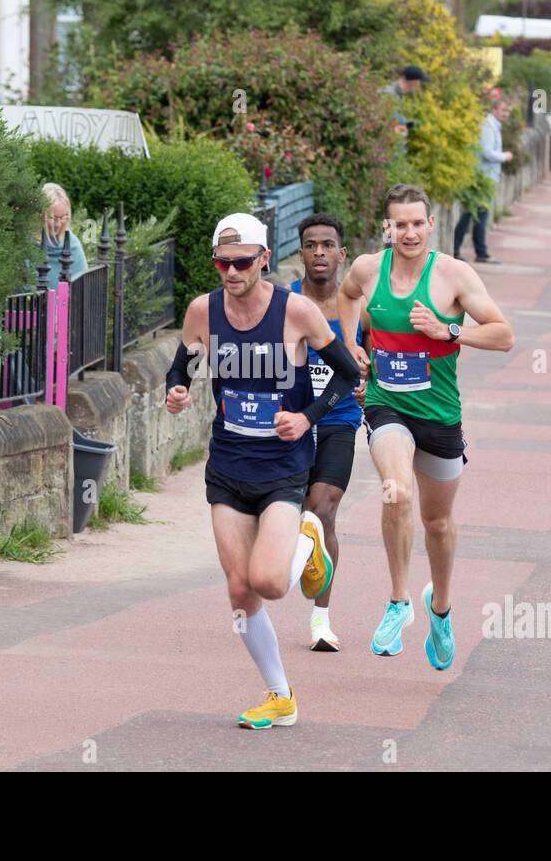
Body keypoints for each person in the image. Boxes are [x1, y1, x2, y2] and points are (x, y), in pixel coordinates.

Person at [165, 212, 358, 729]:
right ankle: (280, 695)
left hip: (281, 466)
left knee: (270, 583)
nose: (231, 271)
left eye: (242, 262)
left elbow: (348, 372)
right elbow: (181, 362)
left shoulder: (295, 313)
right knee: (239, 592)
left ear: (264, 259)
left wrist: (307, 416)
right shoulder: (203, 311)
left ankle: (309, 539)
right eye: (223, 262)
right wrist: (177, 388)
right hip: (228, 465)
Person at [338, 184, 514, 668]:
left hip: (439, 413)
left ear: (431, 225)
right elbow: (347, 295)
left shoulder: (454, 275)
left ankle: (440, 609)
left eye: (417, 223)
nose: (409, 232)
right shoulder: (369, 269)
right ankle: (398, 602)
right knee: (396, 490)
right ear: (387, 227)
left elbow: (503, 335)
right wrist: (353, 343)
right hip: (385, 402)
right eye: (399, 224)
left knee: (437, 522)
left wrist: (448, 330)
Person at [288, 213, 366, 652]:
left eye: (327, 245)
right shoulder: (285, 304)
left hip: (338, 420)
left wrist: (369, 375)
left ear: (342, 254)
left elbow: (377, 358)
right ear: (300, 252)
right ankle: (301, 560)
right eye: (311, 245)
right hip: (294, 422)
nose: (319, 252)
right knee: (296, 514)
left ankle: (321, 619)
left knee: (323, 512)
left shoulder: (358, 308)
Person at [453, 97, 513, 265]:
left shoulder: (493, 125)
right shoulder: (488, 126)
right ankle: (478, 252)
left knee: (474, 214)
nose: (505, 114)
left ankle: (464, 250)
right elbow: (486, 152)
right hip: (483, 177)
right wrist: (504, 156)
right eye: (502, 110)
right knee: (476, 215)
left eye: (507, 111)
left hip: (487, 176)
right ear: (494, 109)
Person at [40, 182, 88, 289]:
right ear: (40, 214)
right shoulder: (25, 244)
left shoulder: (72, 244)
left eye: (62, 217)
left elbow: (83, 289)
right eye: (53, 217)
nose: (58, 224)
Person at [381, 64, 430, 138]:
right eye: (419, 82)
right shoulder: (389, 96)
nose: (419, 85)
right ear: (414, 82)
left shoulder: (397, 94)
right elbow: (387, 127)